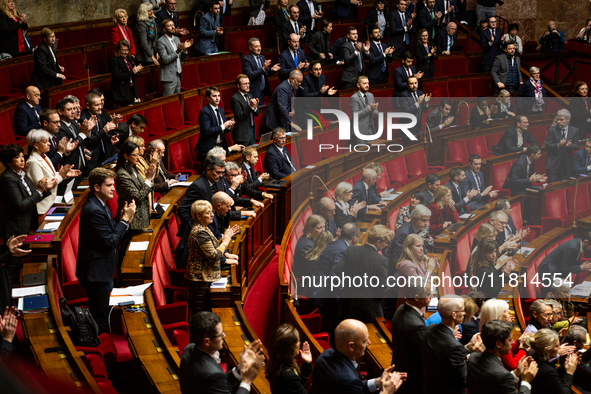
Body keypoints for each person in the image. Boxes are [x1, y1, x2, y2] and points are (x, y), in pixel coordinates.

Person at [77, 168, 136, 335]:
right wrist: (124, 221)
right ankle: (102, 349)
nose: (113, 189)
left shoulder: (99, 204)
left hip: (102, 269)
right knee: (101, 318)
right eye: (109, 185)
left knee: (103, 315)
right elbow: (110, 241)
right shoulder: (94, 210)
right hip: (96, 273)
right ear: (97, 187)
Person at [0, 144, 52, 283]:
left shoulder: (21, 174)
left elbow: (32, 195)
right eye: (18, 157)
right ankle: (9, 298)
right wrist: (40, 191)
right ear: (9, 162)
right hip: (14, 229)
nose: (22, 160)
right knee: (13, 264)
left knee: (20, 262)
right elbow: (21, 205)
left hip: (26, 224)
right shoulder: (7, 178)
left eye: (23, 156)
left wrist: (44, 189)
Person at [179, 312, 264, 394]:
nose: (224, 335)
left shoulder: (189, 349)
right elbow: (216, 380)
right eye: (220, 335)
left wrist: (241, 368)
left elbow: (218, 385)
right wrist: (247, 381)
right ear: (207, 342)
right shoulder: (213, 375)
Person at [312, 319, 405, 393]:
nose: (369, 343)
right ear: (351, 346)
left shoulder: (325, 355)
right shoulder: (349, 380)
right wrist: (387, 392)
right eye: (364, 341)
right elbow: (350, 385)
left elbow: (353, 388)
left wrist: (378, 381)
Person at [421, 295, 485, 394]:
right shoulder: (455, 346)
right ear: (454, 315)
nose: (464, 313)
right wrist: (475, 357)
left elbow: (445, 357)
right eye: (463, 310)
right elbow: (464, 381)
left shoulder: (430, 329)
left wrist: (468, 347)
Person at [183, 200, 238, 312]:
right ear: (198, 216)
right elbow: (214, 255)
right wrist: (226, 241)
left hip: (205, 275)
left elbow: (211, 246)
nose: (212, 214)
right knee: (201, 311)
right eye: (208, 213)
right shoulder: (200, 232)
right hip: (200, 278)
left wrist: (224, 242)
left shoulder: (204, 227)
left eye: (211, 212)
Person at [335, 225, 393, 323]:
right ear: (378, 242)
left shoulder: (351, 250)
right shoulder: (381, 260)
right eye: (386, 242)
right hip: (367, 306)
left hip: (346, 300)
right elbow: (382, 289)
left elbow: (338, 270)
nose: (387, 245)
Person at [176, 157, 226, 266]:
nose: (221, 175)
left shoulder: (217, 181)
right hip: (199, 237)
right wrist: (196, 227)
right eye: (218, 172)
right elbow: (182, 209)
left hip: (214, 231)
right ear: (208, 170)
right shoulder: (197, 186)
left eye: (222, 172)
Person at [467, 320, 538, 394]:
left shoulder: (473, 357)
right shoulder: (502, 375)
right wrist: (525, 382)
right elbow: (500, 377)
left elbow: (493, 384)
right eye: (510, 340)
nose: (513, 342)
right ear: (499, 344)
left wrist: (515, 373)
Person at [25, 130, 80, 221]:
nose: (49, 144)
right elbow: (45, 186)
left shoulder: (44, 156)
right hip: (43, 208)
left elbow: (51, 176)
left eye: (48, 141)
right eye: (45, 142)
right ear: (36, 145)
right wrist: (61, 176)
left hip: (52, 203)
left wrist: (65, 174)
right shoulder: (32, 162)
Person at [390, 279, 431, 394]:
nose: (431, 296)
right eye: (428, 294)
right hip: (412, 378)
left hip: (401, 368)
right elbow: (424, 354)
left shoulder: (401, 308)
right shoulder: (415, 325)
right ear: (417, 298)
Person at [537, 231, 591, 296]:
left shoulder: (577, 244)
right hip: (549, 272)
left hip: (556, 269)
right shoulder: (573, 248)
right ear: (586, 242)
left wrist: (584, 266)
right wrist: (581, 267)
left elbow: (570, 262)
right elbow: (565, 267)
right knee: (556, 295)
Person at [195, 86, 238, 166]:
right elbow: (207, 131)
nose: (217, 98)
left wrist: (228, 126)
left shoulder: (221, 110)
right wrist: (223, 126)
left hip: (219, 146)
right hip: (207, 149)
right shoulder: (204, 112)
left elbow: (222, 129)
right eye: (214, 96)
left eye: (218, 96)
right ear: (208, 98)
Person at [526, 329, 578, 394]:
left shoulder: (532, 358)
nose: (559, 348)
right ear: (546, 350)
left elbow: (549, 378)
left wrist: (564, 367)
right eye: (556, 346)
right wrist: (569, 373)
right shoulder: (548, 371)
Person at [266, 324, 313, 394]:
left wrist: (307, 364)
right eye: (297, 341)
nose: (299, 343)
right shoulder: (290, 378)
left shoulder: (278, 364)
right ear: (291, 347)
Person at [385, 204, 432, 272]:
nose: (427, 224)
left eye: (428, 220)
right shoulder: (404, 234)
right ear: (414, 218)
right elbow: (397, 260)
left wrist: (424, 256)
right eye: (423, 220)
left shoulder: (416, 228)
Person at [81, 92, 120, 167]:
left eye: (101, 104)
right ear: (88, 106)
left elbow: (99, 133)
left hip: (101, 155)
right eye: (97, 105)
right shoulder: (83, 119)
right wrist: (104, 130)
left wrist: (109, 138)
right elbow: (88, 141)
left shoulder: (98, 114)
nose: (100, 107)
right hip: (90, 157)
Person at [157, 19, 193, 96]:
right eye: (169, 26)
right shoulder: (161, 41)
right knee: (169, 102)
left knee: (177, 102)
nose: (173, 27)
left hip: (178, 75)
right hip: (168, 78)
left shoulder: (176, 39)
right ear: (164, 29)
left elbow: (182, 58)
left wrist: (185, 49)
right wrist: (177, 51)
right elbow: (165, 60)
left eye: (173, 25)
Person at [262, 69, 304, 134]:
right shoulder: (283, 89)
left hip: (283, 119)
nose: (300, 84)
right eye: (298, 81)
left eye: (301, 81)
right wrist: (291, 123)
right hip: (274, 122)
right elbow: (282, 107)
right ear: (291, 79)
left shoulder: (294, 86)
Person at [241, 38, 280, 105]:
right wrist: (263, 68)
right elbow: (249, 75)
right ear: (250, 48)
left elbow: (265, 72)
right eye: (256, 46)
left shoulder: (262, 58)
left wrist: (272, 70)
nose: (259, 48)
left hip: (262, 91)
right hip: (253, 92)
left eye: (260, 46)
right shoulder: (246, 60)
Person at [545, 109, 579, 183]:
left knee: (564, 186)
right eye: (558, 119)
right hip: (553, 164)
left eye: (561, 120)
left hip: (566, 165)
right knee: (552, 187)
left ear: (568, 120)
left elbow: (576, 146)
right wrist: (558, 145)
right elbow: (547, 145)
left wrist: (570, 146)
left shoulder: (574, 130)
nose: (559, 121)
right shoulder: (552, 130)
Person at [107, 40, 143, 108]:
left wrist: (138, 71)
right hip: (120, 93)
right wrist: (133, 72)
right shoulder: (114, 60)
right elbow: (117, 76)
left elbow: (135, 74)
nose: (126, 52)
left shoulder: (130, 59)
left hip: (131, 90)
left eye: (127, 50)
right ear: (118, 50)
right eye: (123, 50)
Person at [292, 214, 325, 282]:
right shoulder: (306, 245)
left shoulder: (315, 237)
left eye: (323, 227)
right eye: (319, 228)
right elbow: (313, 267)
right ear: (311, 229)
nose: (323, 230)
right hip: (305, 278)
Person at [230, 75, 259, 147]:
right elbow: (239, 116)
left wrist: (255, 108)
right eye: (245, 84)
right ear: (238, 85)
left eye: (248, 83)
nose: (247, 85)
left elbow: (256, 114)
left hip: (252, 133)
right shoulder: (235, 98)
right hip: (242, 135)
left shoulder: (249, 96)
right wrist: (250, 107)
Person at [349, 76, 379, 146]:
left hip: (371, 129)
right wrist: (369, 109)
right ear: (358, 85)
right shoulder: (354, 98)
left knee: (373, 152)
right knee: (362, 153)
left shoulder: (371, 95)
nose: (367, 85)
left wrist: (374, 110)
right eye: (364, 83)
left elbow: (376, 112)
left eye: (368, 83)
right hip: (360, 130)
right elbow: (355, 115)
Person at [560, 325, 591, 393]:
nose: (586, 343)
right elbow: (589, 373)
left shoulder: (564, 340)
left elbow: (581, 358)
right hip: (573, 384)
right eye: (583, 342)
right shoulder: (570, 353)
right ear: (575, 342)